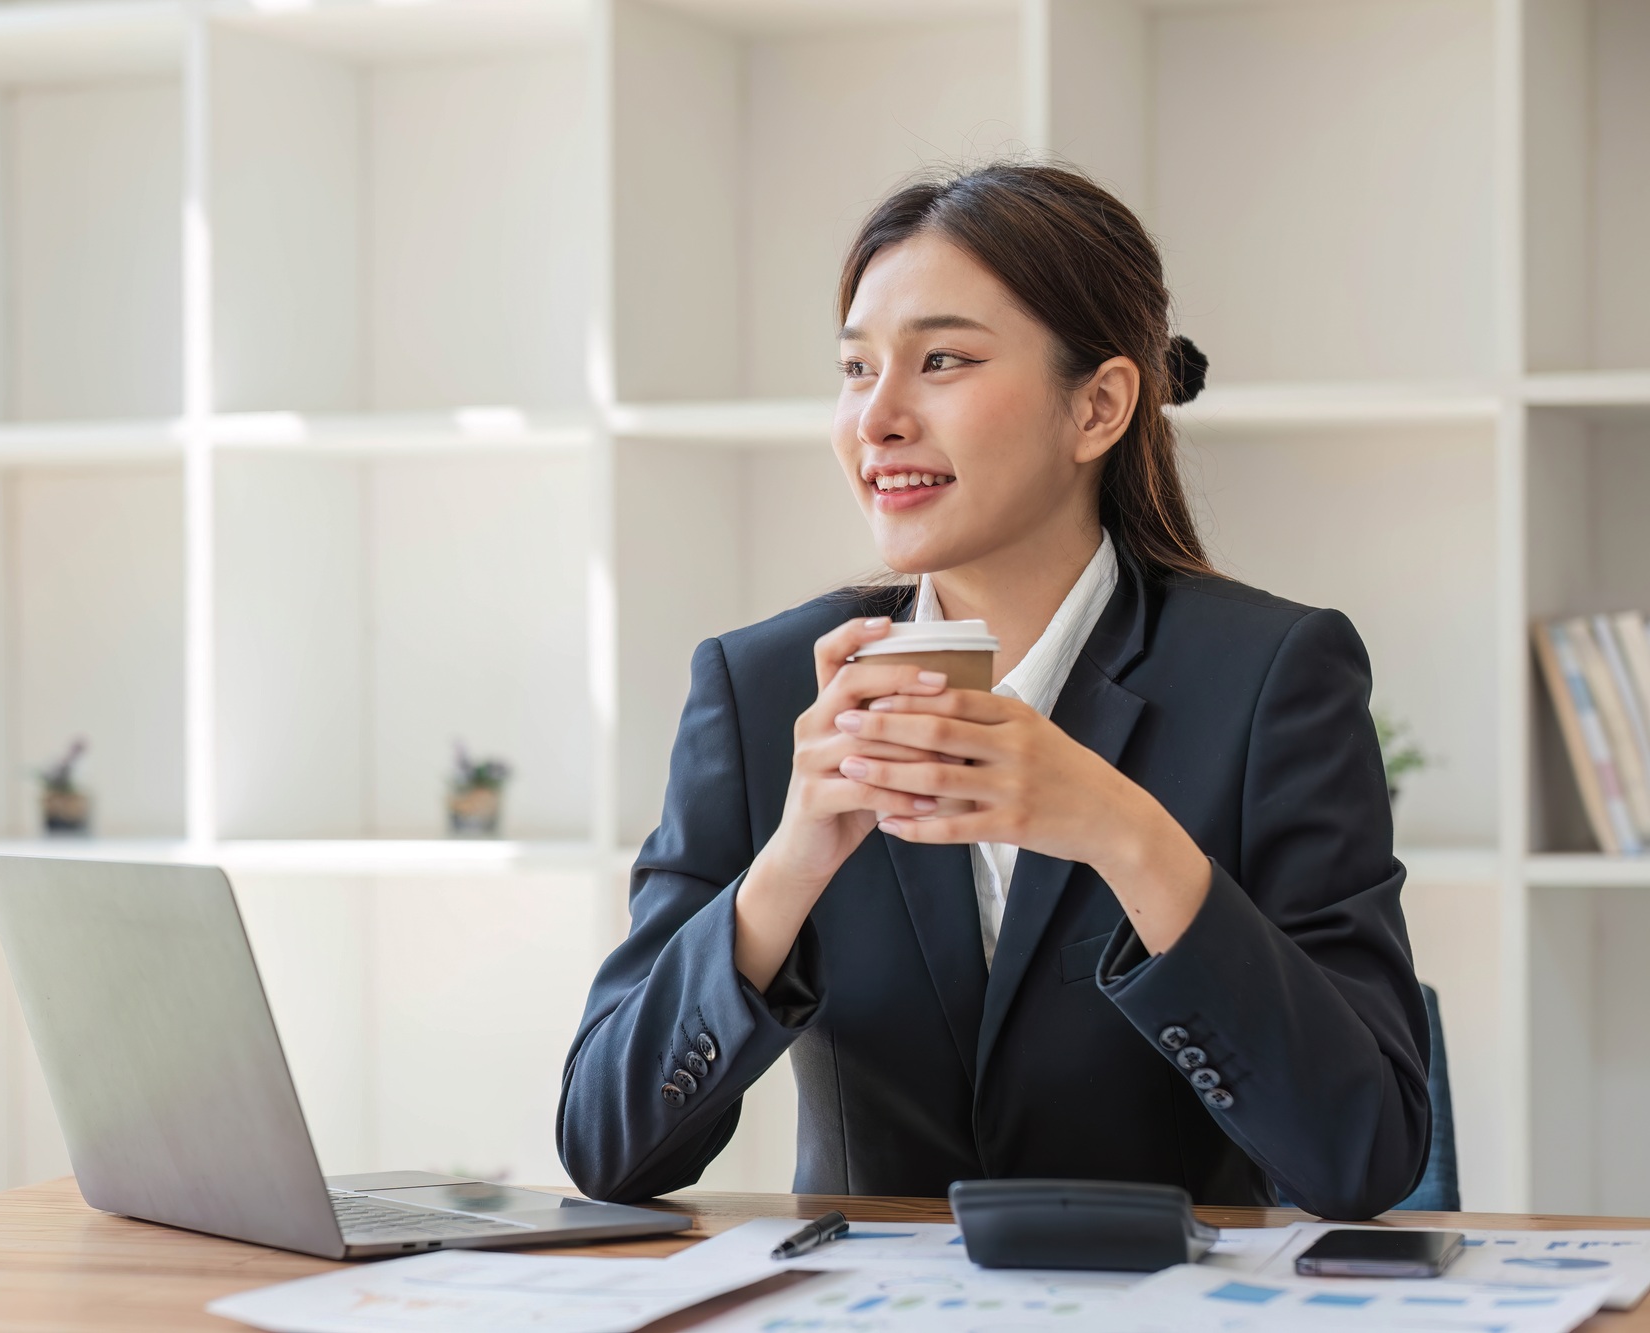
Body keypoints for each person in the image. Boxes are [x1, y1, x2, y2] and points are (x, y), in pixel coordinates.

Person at [555, 163, 1429, 1220]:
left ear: (1099, 404)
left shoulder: (1272, 679)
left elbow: (1361, 1155)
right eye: (853, 369)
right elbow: (607, 1151)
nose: (876, 418)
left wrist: (1120, 831)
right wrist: (782, 872)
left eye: (941, 361)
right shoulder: (758, 691)